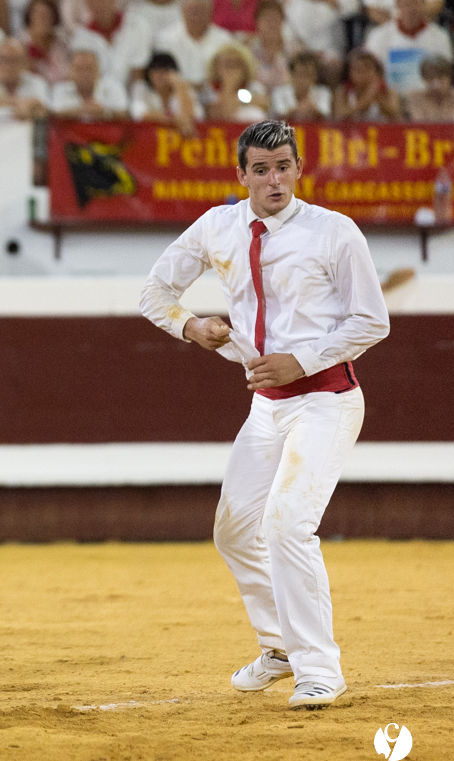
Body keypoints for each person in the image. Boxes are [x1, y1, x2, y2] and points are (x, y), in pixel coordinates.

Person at [139, 119, 389, 712]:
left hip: (326, 400)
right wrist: (190, 325)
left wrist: (300, 360)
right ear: (241, 174)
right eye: (261, 169)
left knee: (286, 523)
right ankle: (278, 647)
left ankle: (318, 667)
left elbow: (371, 321)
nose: (273, 179)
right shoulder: (218, 227)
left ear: (299, 169)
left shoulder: (335, 232)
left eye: (283, 167)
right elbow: (154, 295)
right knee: (233, 530)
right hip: (266, 407)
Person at [363, 0, 454, 94]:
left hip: (429, 99)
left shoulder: (440, 36)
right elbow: (371, 74)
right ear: (397, 5)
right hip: (391, 99)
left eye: (416, 4)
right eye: (406, 4)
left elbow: (445, 75)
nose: (411, 9)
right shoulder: (378, 36)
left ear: (423, 5)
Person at [68, 0, 154, 87]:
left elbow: (138, 73)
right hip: (101, 96)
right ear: (87, 4)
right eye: (93, 2)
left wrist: (137, 100)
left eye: (104, 1)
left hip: (134, 93)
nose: (100, 5)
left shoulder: (137, 26)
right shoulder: (80, 39)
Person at [152, 0, 235, 86]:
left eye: (200, 10)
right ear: (182, 12)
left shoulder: (225, 40)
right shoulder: (165, 40)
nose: (196, 15)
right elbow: (160, 74)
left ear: (210, 12)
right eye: (192, 10)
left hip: (215, 94)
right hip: (176, 94)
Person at [0, 37, 50, 121]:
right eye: (3, 59)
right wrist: (25, 104)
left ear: (24, 62)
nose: (8, 66)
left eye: (14, 60)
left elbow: (43, 110)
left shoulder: (37, 82)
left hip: (26, 132)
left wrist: (0, 101)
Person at [130, 51, 201, 134]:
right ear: (148, 73)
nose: (160, 75)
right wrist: (173, 119)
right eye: (155, 70)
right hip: (149, 137)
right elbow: (139, 113)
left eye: (165, 71)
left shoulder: (183, 88)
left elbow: (194, 117)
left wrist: (180, 88)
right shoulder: (141, 88)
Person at [50, 48, 129, 119]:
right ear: (70, 72)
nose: (84, 74)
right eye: (79, 69)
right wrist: (83, 111)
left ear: (99, 71)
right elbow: (53, 115)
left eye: (89, 68)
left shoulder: (114, 88)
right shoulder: (59, 89)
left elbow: (125, 114)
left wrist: (105, 113)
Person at [201, 43, 268, 121]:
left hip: (246, 127)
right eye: (227, 64)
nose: (231, 69)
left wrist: (238, 100)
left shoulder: (253, 86)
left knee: (255, 113)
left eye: (236, 64)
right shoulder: (209, 88)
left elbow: (263, 104)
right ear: (216, 67)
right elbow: (215, 112)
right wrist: (228, 87)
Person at [332, 49, 403, 120]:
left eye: (368, 68)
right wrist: (364, 100)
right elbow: (338, 116)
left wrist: (379, 100)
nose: (363, 73)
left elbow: (398, 117)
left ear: (377, 71)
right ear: (349, 73)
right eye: (358, 69)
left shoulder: (388, 91)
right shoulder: (342, 92)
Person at [19, 0, 71, 87]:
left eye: (46, 15)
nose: (42, 19)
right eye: (38, 15)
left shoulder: (62, 43)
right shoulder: (21, 44)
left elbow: (68, 73)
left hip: (60, 90)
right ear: (30, 17)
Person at [248, 0, 295, 92]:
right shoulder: (249, 50)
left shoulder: (294, 51)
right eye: (267, 20)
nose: (271, 24)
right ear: (257, 22)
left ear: (282, 22)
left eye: (275, 19)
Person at [270, 50, 331, 119]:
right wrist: (295, 111)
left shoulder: (323, 92)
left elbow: (326, 116)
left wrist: (313, 110)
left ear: (315, 77)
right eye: (300, 74)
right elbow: (278, 116)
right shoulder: (279, 92)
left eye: (308, 75)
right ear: (292, 75)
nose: (303, 79)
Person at [404, 54, 454, 120]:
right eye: (430, 79)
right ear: (423, 79)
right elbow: (419, 124)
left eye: (441, 78)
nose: (436, 85)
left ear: (449, 77)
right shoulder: (414, 98)